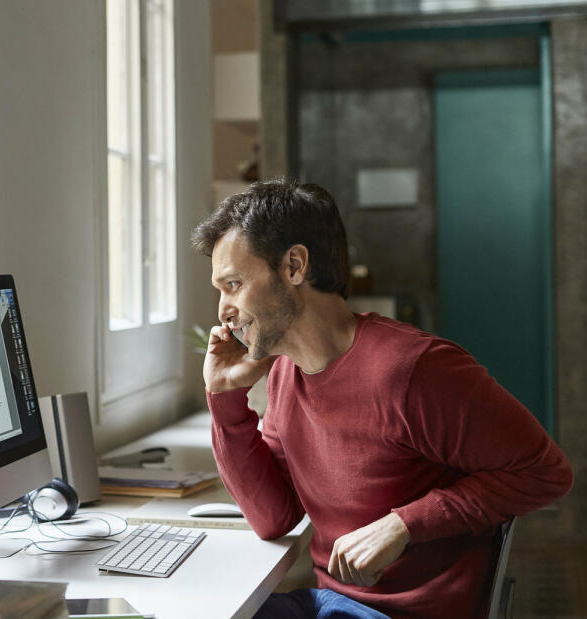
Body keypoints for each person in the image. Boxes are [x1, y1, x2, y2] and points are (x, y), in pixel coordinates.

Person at [190, 179, 573, 619]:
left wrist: (405, 524)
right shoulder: (284, 373)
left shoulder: (416, 369)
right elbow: (274, 517)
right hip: (329, 605)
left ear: (294, 266)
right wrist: (224, 398)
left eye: (234, 284)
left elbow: (546, 472)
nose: (223, 311)